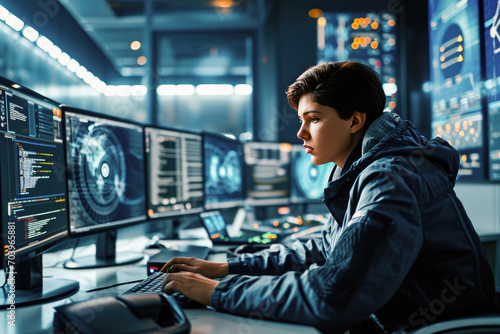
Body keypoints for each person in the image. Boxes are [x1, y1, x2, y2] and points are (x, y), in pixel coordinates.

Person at [161, 61, 500, 333]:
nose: (300, 133)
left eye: (314, 119)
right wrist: (228, 266)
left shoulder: (390, 179)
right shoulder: (362, 170)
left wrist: (217, 292)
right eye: (300, 119)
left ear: (354, 121)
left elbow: (332, 295)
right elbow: (326, 246)